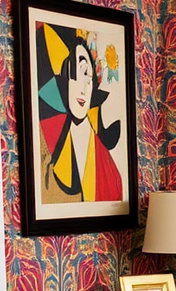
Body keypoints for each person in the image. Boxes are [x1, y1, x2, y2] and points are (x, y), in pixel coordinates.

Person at [39, 28, 123, 202]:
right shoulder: (45, 136)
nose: (85, 86)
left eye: (89, 77)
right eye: (80, 72)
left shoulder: (103, 158)